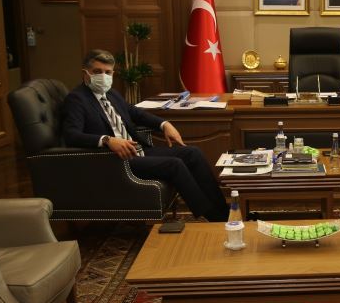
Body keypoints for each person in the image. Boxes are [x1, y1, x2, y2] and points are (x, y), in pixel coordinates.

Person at [62, 49, 229, 222]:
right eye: (97, 72)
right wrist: (107, 140)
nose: (103, 76)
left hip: (137, 150)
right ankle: (215, 218)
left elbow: (136, 113)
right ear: (85, 73)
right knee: (175, 164)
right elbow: (71, 135)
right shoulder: (76, 99)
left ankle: (224, 211)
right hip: (114, 159)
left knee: (193, 153)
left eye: (108, 72)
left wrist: (164, 124)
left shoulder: (111, 94)